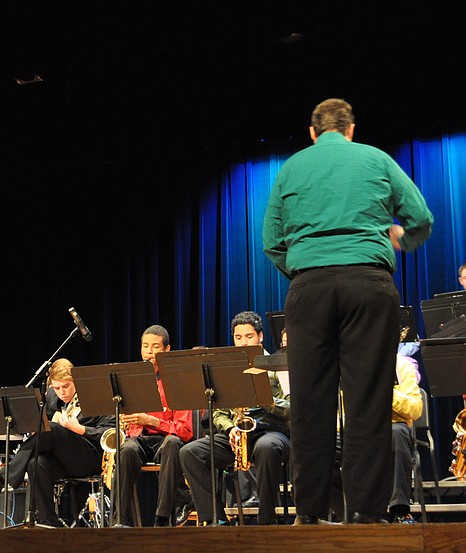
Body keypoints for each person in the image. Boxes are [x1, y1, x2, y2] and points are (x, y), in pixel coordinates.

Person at [262, 98, 433, 524]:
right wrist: (400, 238)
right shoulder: (375, 158)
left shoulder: (291, 168)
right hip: (368, 284)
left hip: (309, 290)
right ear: (351, 129)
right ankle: (365, 515)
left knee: (310, 405)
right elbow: (422, 218)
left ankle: (309, 515)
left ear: (313, 132)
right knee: (367, 404)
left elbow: (271, 241)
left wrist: (306, 270)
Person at [0, 358, 115, 527]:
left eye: (66, 386)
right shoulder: (52, 396)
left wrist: (81, 429)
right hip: (62, 458)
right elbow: (41, 425)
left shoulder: (95, 394)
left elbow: (111, 432)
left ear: (75, 381)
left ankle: (4, 477)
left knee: (51, 429)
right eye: (57, 387)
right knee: (35, 463)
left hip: (90, 457)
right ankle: (49, 523)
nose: (62, 392)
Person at [179, 311, 290, 526]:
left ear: (260, 336)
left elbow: (293, 407)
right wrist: (230, 428)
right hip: (238, 433)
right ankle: (215, 520)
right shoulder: (229, 368)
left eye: (249, 336)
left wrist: (268, 402)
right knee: (190, 453)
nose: (243, 342)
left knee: (266, 448)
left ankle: (266, 522)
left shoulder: (277, 364)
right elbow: (219, 413)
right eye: (238, 338)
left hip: (272, 431)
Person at [112, 325, 193, 527]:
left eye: (155, 347)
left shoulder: (178, 380)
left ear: (167, 350)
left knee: (173, 444)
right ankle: (119, 521)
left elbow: (185, 430)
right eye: (145, 346)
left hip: (166, 439)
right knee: (126, 450)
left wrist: (152, 421)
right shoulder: (131, 379)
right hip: (138, 439)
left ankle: (162, 517)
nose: (149, 352)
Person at [329, 353, 423, 524]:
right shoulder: (345, 364)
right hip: (354, 430)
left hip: (390, 425)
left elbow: (415, 409)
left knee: (397, 434)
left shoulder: (401, 365)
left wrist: (385, 392)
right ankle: (348, 515)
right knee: (321, 448)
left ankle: (399, 511)